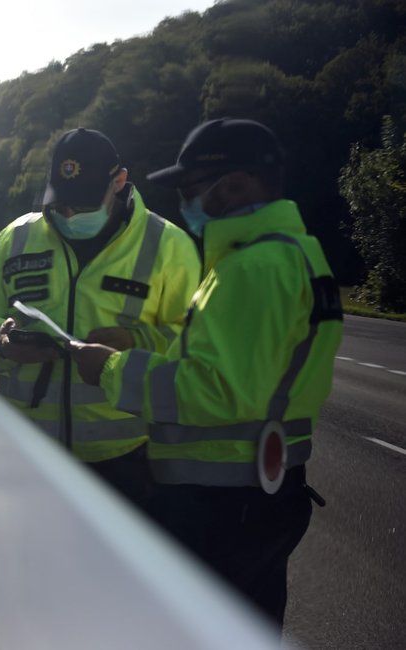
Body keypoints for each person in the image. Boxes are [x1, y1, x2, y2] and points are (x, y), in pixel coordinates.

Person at [70, 118, 343, 631]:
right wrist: (138, 341)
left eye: (191, 189)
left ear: (236, 184)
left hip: (220, 507)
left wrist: (107, 368)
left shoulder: (250, 269)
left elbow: (212, 391)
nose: (184, 203)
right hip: (266, 495)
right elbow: (236, 365)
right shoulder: (295, 252)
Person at [0, 127, 200, 509]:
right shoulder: (14, 239)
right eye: (61, 201)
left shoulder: (169, 246)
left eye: (82, 203)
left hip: (128, 463)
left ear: (119, 182)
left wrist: (133, 343)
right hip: (24, 454)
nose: (69, 213)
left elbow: (195, 348)